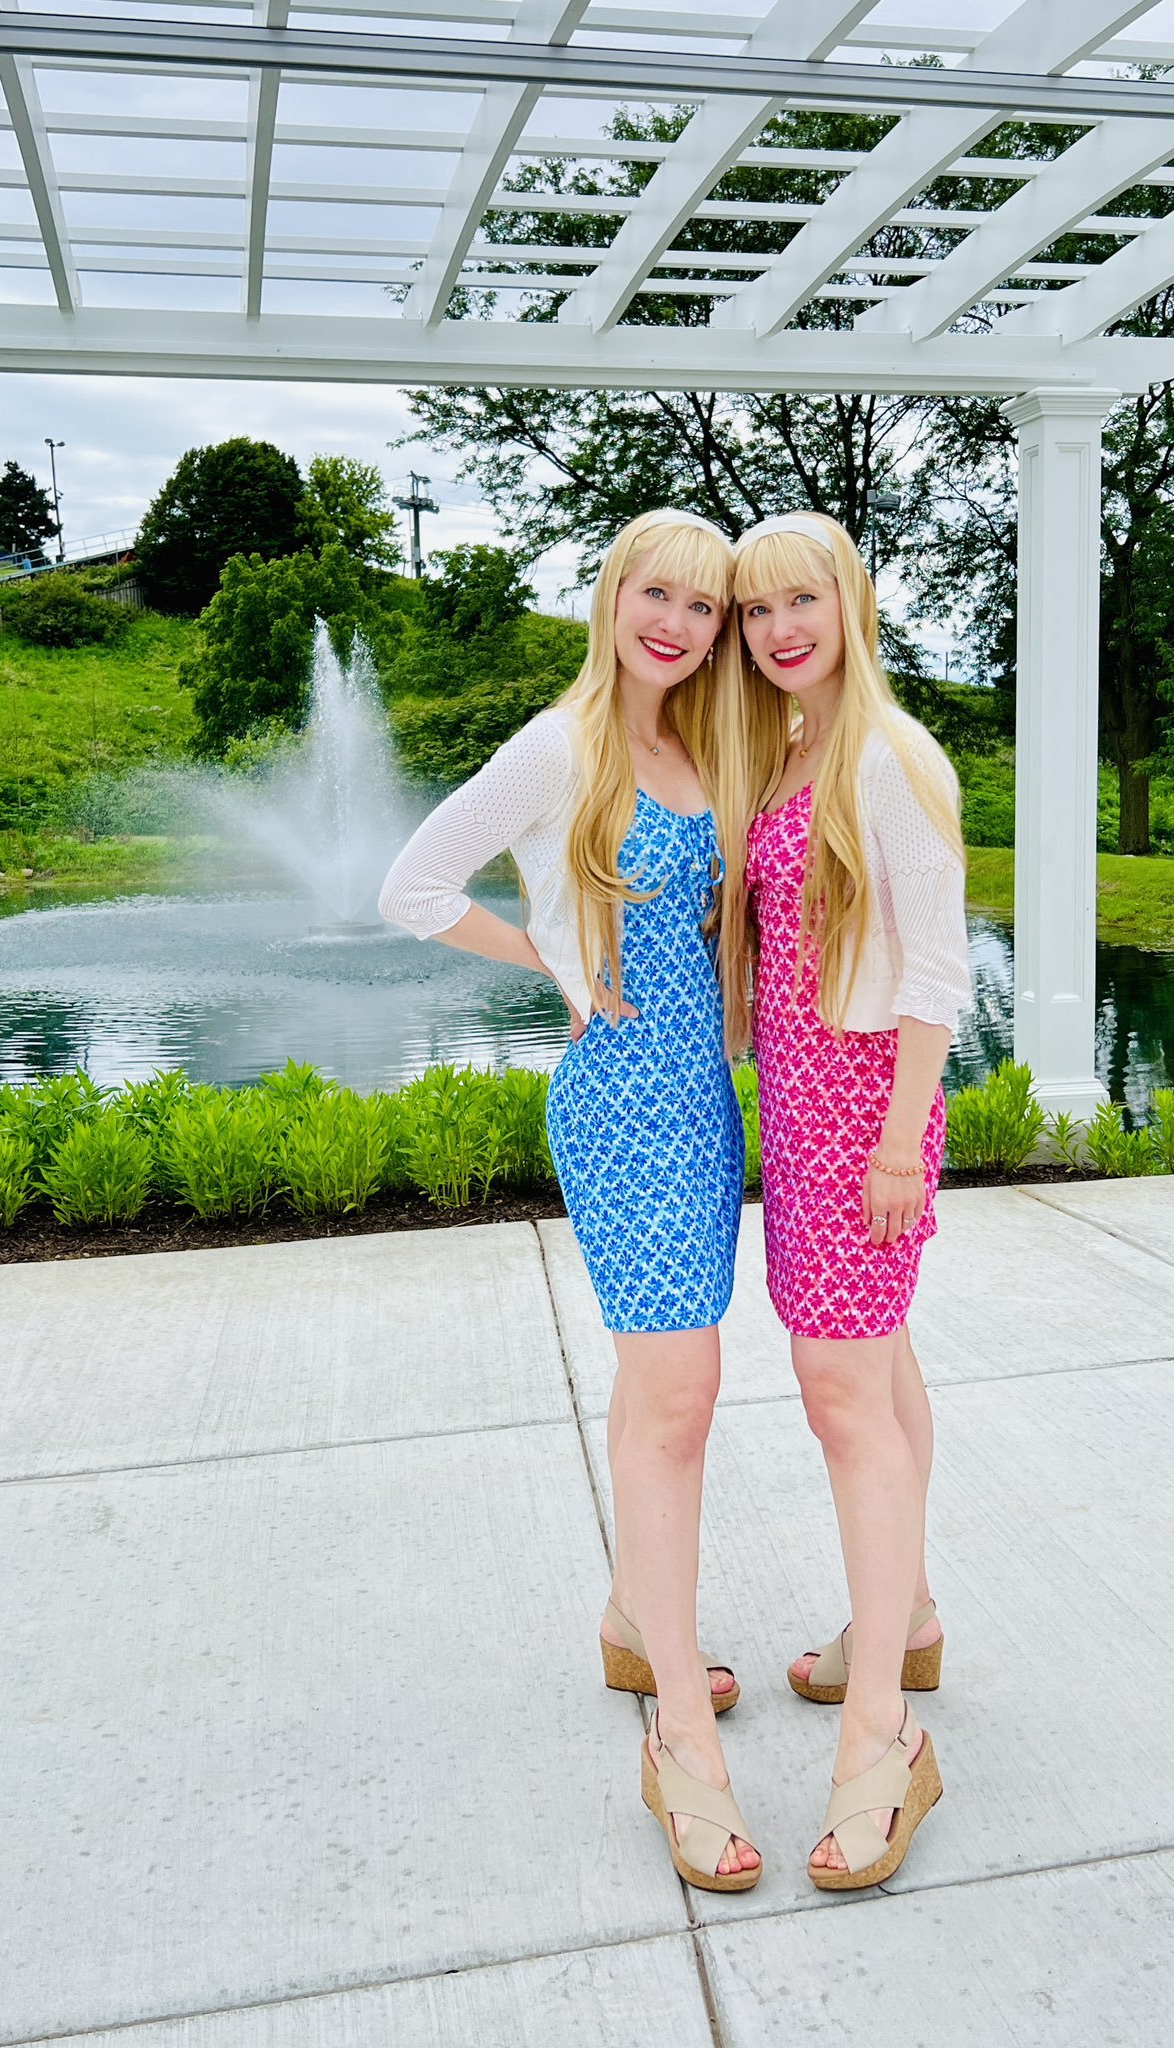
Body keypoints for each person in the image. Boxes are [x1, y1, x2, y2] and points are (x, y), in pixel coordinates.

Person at [377, 508, 762, 1892]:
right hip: (619, 1109)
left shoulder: (707, 746)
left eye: (704, 607)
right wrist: (550, 960)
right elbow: (411, 887)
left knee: (660, 1389)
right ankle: (677, 1733)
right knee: (681, 1397)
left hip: (703, 1109)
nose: (677, 623)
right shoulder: (562, 747)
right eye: (657, 593)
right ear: (612, 597)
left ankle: (630, 1620)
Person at [724, 510, 972, 1890]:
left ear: (850, 604)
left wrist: (895, 1146)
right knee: (879, 1366)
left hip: (866, 1110)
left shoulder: (888, 754)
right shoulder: (790, 747)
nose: (778, 630)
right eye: (755, 610)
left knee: (839, 1396)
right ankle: (908, 1618)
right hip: (801, 1102)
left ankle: (883, 1735)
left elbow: (935, 968)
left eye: (799, 600)